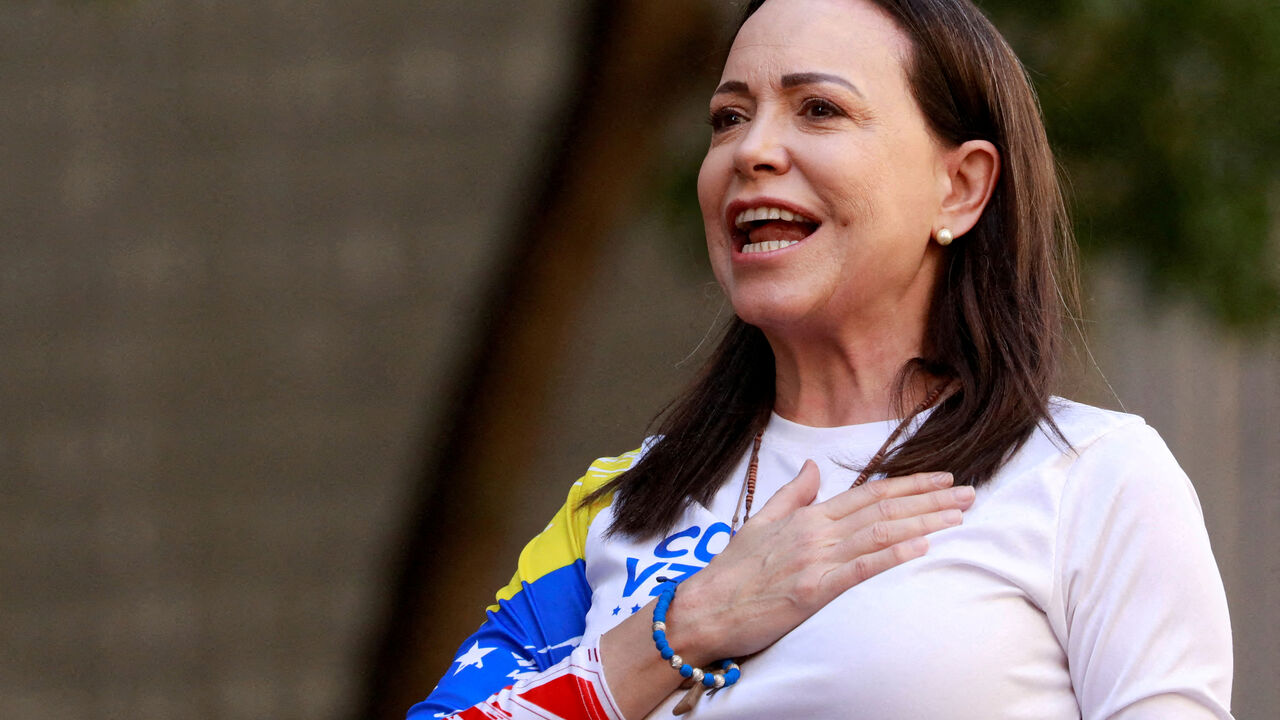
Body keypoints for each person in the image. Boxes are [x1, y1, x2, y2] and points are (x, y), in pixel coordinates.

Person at [409, 0, 1234, 717]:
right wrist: (683, 627)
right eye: (729, 118)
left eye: (818, 110)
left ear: (961, 188)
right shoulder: (621, 508)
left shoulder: (1089, 478)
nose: (752, 152)